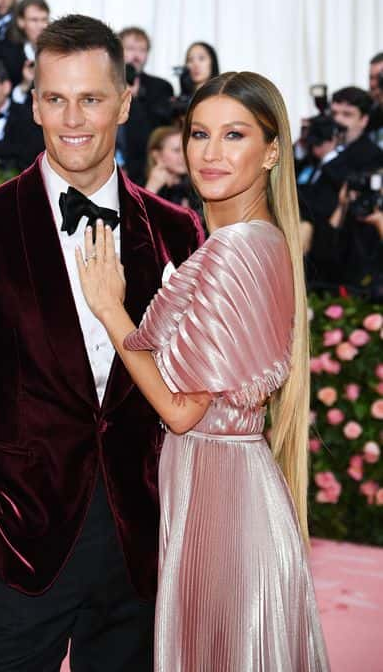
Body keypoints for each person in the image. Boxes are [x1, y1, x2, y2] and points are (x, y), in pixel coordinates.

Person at [0, 14, 203, 671]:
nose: (72, 119)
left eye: (91, 98)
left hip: (138, 552)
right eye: (56, 98)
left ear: (124, 101)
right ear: (33, 102)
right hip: (15, 546)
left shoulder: (178, 231)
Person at [76, 71, 331, 670]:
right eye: (199, 134)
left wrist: (110, 308)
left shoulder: (235, 249)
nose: (210, 153)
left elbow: (181, 409)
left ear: (272, 150)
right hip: (232, 487)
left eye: (234, 135)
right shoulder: (265, 242)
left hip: (219, 499)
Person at [116, 26, 174, 185]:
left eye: (142, 50)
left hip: (146, 174)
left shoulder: (160, 87)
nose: (136, 56)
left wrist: (134, 99)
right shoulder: (102, 84)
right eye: (130, 49)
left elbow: (158, 133)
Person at [9, 0, 50, 105]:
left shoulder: (58, 51)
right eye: (34, 20)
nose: (41, 25)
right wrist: (25, 84)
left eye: (44, 19)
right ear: (21, 22)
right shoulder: (10, 54)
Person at [145, 125, 197, 210]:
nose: (183, 156)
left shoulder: (195, 187)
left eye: (185, 149)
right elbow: (136, 221)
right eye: (176, 150)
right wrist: (151, 188)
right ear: (157, 155)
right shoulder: (136, 187)